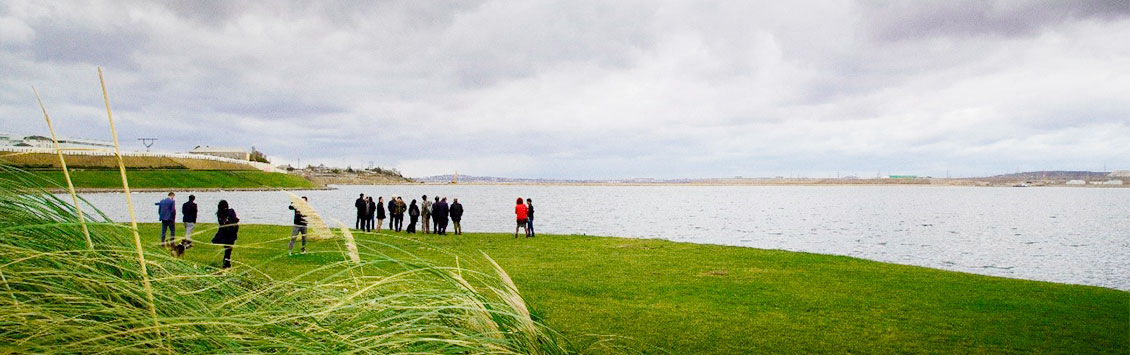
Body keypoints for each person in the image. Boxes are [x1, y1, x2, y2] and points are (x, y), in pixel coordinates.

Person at [212, 200, 240, 269]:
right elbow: (235, 220)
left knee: (228, 249)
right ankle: (226, 263)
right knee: (228, 249)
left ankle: (227, 263)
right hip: (230, 234)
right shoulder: (230, 212)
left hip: (227, 233)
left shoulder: (220, 214)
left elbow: (222, 223)